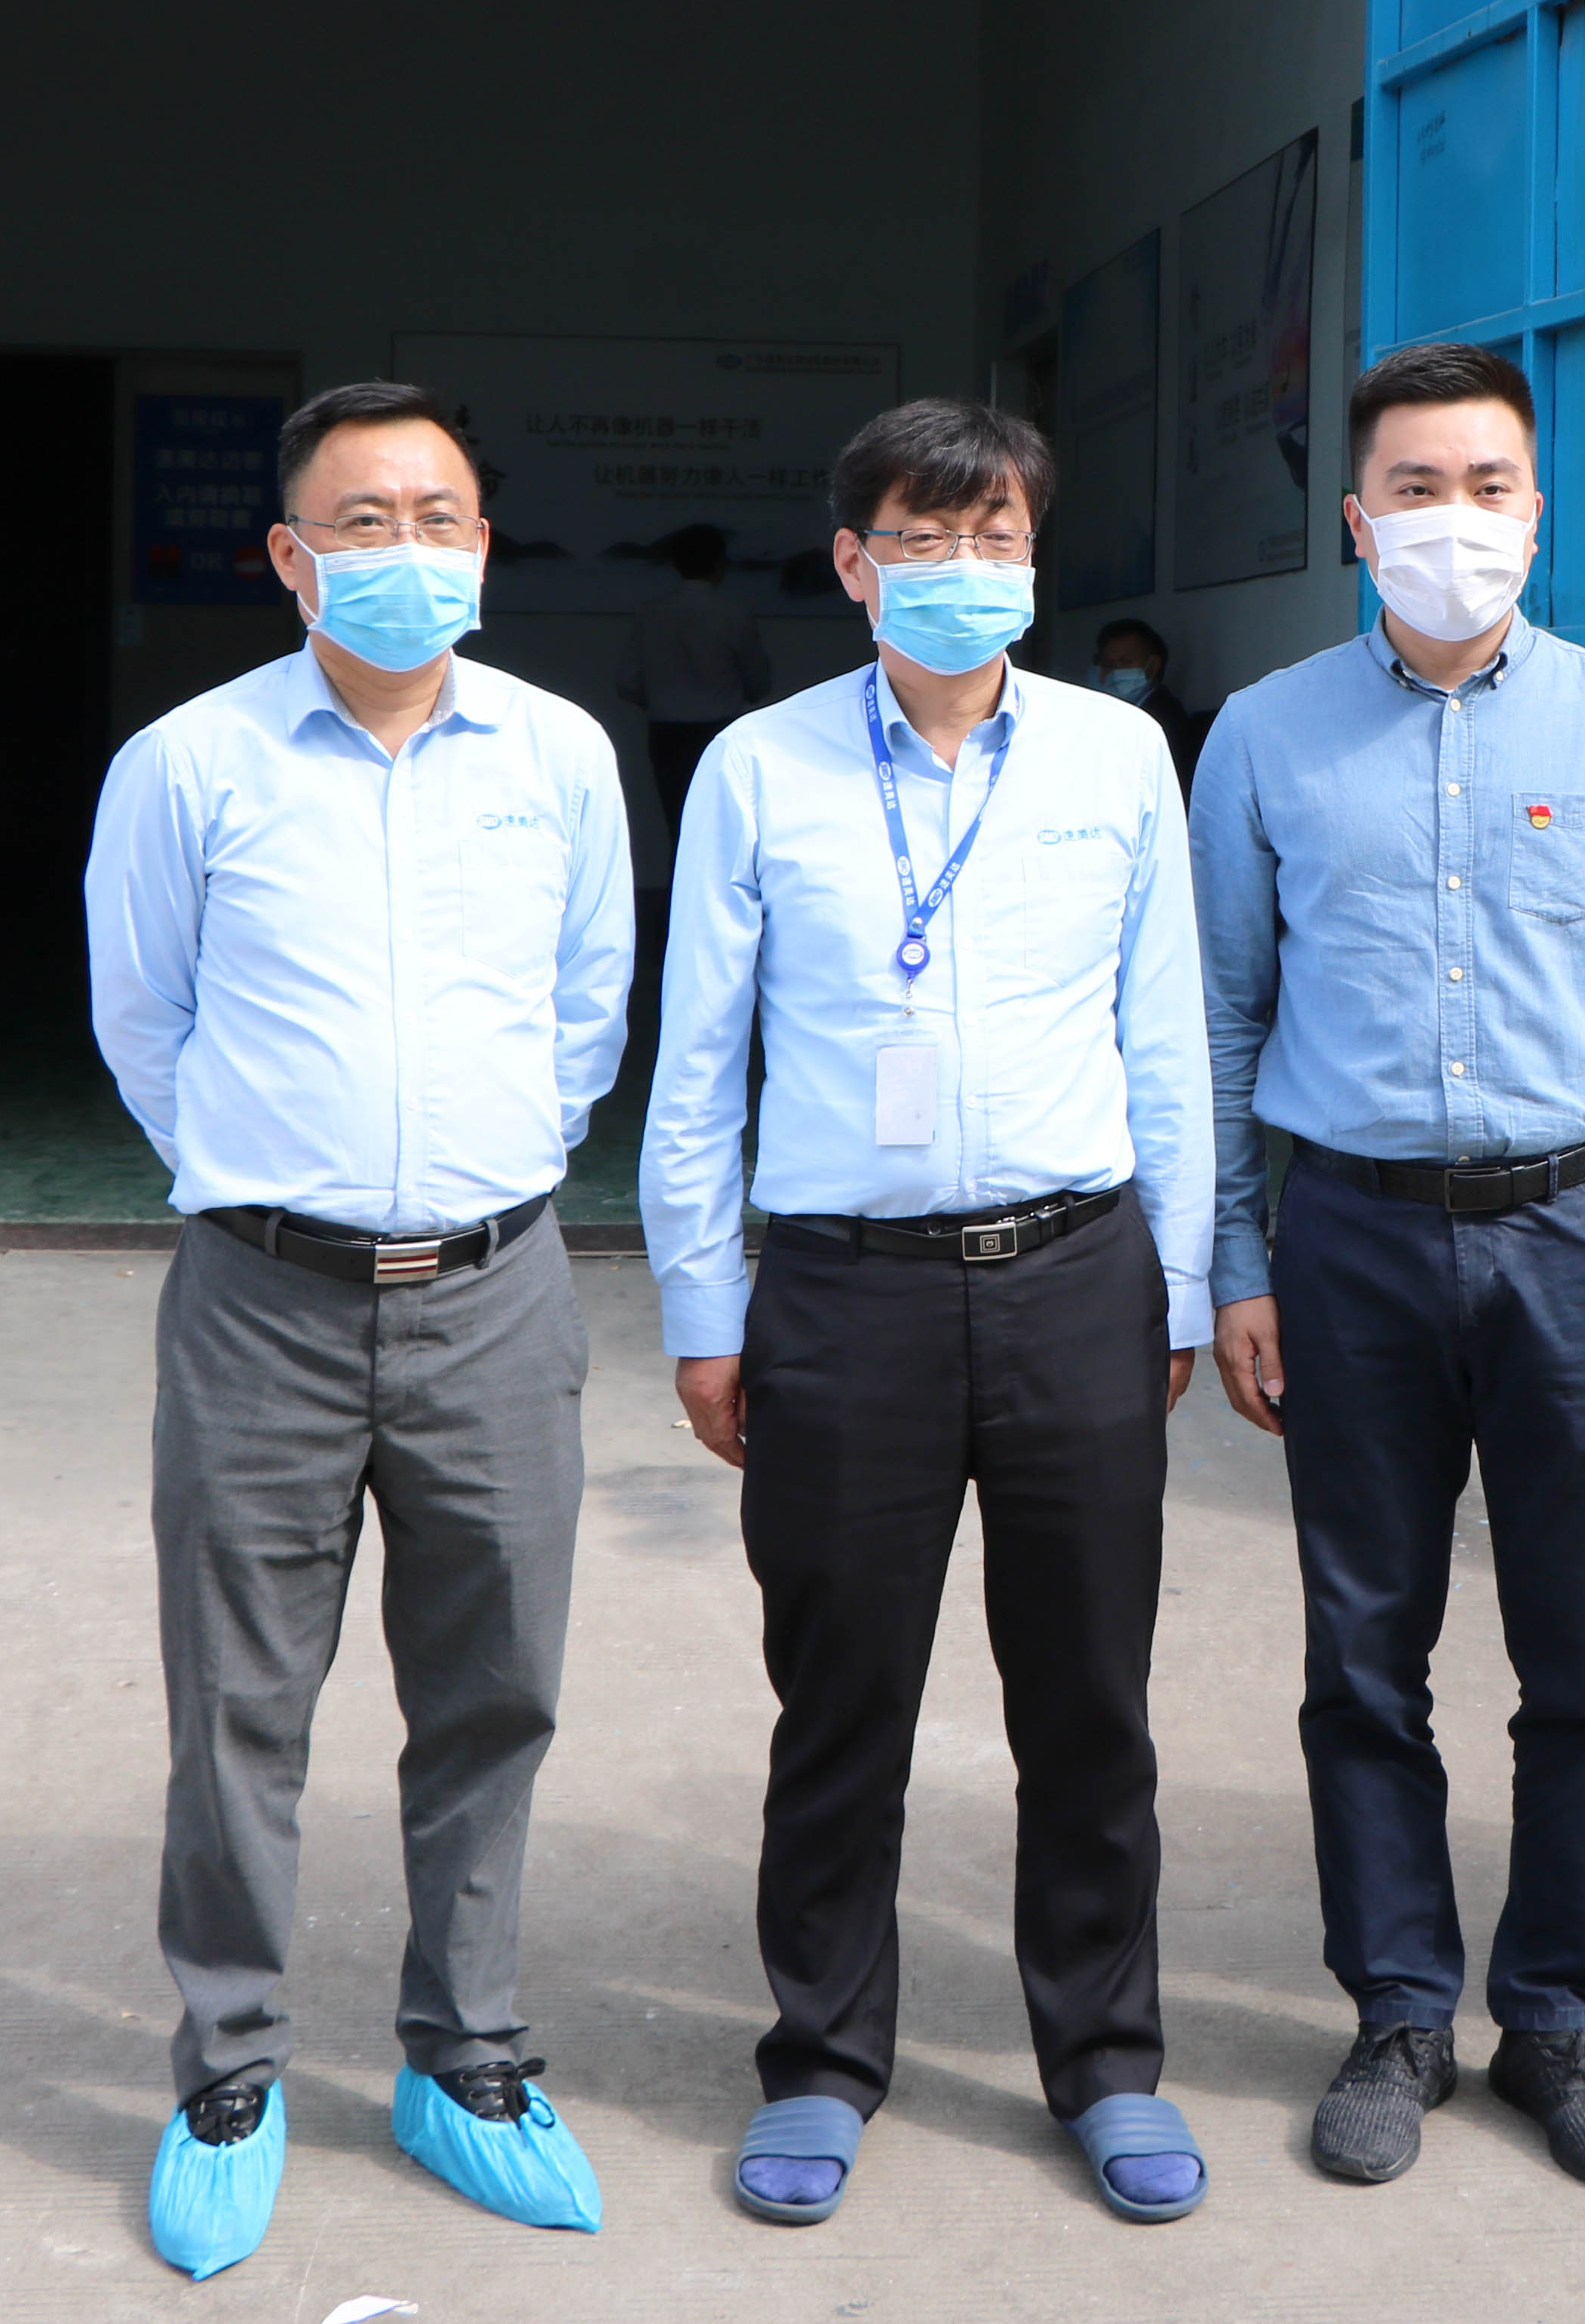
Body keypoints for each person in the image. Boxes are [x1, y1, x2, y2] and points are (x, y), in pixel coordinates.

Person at [1192, 339, 1585, 2194]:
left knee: (1582, 1661)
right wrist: (1235, 1259)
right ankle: (1397, 2010)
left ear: (1538, 510)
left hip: (1582, 1231)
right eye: (1417, 489)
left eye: (1489, 485)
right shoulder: (1265, 733)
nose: (1457, 519)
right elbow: (1216, 1014)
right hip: (1349, 1233)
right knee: (1364, 1650)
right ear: (1359, 522)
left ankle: (1558, 2014)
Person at [641, 395, 1219, 2230]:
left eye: (996, 537)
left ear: (1035, 558)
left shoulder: (1119, 755)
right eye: (923, 535)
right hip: (844, 1292)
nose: (963, 567)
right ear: (852, 561)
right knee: (841, 1702)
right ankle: (822, 2058)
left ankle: (1106, 2057)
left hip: (1076, 1274)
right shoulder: (759, 769)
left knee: (1090, 1701)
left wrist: (1183, 1279)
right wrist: (703, 1301)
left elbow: (1165, 1035)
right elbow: (695, 1063)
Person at [85, 379, 633, 2279]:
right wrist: (278, 1184)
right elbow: (143, 1019)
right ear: (290, 554)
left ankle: (464, 2054)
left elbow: (586, 1009)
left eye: (441, 516)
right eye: (365, 520)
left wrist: (478, 1175)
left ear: (486, 541)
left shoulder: (559, 754)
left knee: (496, 1687)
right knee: (239, 1700)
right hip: (263, 1302)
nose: (410, 549)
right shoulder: (191, 763)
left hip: (498, 1291)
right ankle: (230, 2067)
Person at [621, 520, 773, 832]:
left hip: (667, 732)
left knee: (676, 825)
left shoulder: (651, 613)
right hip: (722, 729)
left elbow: (627, 681)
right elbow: (758, 683)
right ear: (719, 564)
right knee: (721, 827)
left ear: (675, 563)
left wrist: (657, 700)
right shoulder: (734, 613)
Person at [1088, 615, 1203, 794]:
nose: (1114, 672)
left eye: (1126, 662)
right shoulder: (1106, 714)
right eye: (1108, 664)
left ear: (1153, 665)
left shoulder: (1165, 718)